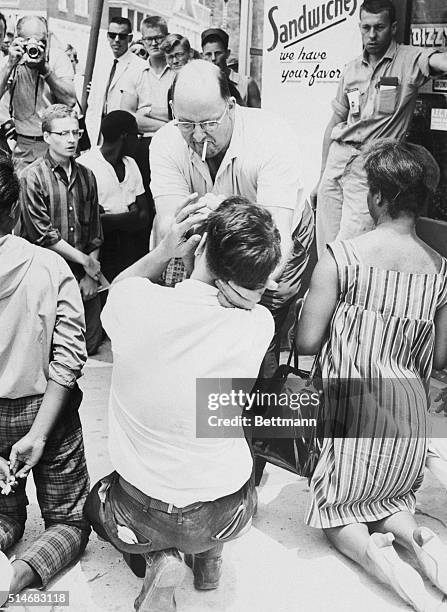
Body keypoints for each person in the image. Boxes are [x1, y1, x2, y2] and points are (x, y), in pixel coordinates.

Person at [84, 196, 281, 612]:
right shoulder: (258, 324)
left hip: (140, 512)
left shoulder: (136, 303)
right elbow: (249, 303)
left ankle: (159, 557)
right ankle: (208, 560)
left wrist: (162, 251)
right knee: (218, 433)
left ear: (201, 244)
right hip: (224, 513)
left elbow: (117, 289)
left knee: (97, 503)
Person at [296, 140, 447, 612]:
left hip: (351, 421)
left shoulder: (341, 257)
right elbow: (440, 357)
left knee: (339, 517)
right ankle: (422, 544)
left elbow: (305, 343)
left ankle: (378, 560)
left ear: (378, 197)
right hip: (406, 429)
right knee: (394, 506)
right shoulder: (441, 270)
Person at [150, 59, 313, 379]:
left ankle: (252, 408)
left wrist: (243, 293)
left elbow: (276, 239)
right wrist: (201, 291)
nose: (198, 137)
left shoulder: (272, 135)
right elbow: (171, 227)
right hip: (207, 234)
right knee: (199, 323)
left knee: (258, 319)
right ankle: (206, 403)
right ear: (172, 111)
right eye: (185, 123)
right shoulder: (166, 142)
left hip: (273, 234)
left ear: (231, 106)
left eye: (209, 123)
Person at [0, 154, 90, 607]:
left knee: (2, 514)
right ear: (15, 210)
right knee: (69, 521)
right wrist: (37, 433)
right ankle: (14, 580)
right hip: (45, 413)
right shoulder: (49, 267)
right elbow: (69, 358)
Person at [313, 0, 447, 256]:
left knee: (350, 249)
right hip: (337, 161)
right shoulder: (351, 69)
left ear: (393, 27)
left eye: (379, 27)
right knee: (326, 247)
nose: (371, 35)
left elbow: (439, 61)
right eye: (366, 28)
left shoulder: (408, 59)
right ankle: (329, 294)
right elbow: (335, 123)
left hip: (369, 166)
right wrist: (320, 177)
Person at [19, 104, 103, 355]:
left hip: (81, 273)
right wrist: (86, 262)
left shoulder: (87, 176)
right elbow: (42, 234)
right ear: (46, 137)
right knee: (46, 347)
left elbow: (95, 232)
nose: (71, 140)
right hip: (44, 274)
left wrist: (90, 273)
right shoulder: (31, 176)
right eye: (63, 133)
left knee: (89, 345)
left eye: (75, 133)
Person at [121, 15, 175, 256]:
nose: (154, 44)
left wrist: (146, 117)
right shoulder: (136, 73)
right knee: (142, 209)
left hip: (171, 149)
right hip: (142, 149)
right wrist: (166, 124)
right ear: (142, 40)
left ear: (166, 38)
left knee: (166, 206)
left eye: (159, 38)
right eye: (149, 39)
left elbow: (181, 119)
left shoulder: (176, 72)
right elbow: (127, 117)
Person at [78, 110, 150, 282]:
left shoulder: (131, 164)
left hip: (130, 248)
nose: (137, 141)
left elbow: (144, 217)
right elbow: (87, 224)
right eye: (136, 136)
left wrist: (107, 219)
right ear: (124, 136)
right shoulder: (86, 165)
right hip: (100, 251)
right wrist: (130, 215)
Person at [0, 15, 75, 172]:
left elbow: (70, 100)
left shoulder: (58, 58)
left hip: (55, 144)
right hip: (23, 146)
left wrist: (45, 69)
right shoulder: (9, 61)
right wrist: (9, 65)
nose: (36, 47)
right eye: (29, 42)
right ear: (18, 39)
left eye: (42, 42)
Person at [86, 16, 146, 148]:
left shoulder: (140, 67)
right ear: (107, 36)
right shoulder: (101, 63)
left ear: (130, 38)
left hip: (122, 137)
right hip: (96, 133)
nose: (116, 40)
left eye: (122, 36)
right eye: (112, 35)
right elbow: (93, 103)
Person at [201, 27, 261, 108]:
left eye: (218, 53)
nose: (213, 58)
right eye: (208, 54)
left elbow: (256, 117)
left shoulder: (246, 84)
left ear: (227, 53)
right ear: (202, 56)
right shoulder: (199, 84)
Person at [161, 33, 194, 121]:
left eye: (179, 55)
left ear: (190, 53)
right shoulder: (172, 90)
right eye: (170, 57)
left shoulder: (203, 80)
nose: (175, 61)